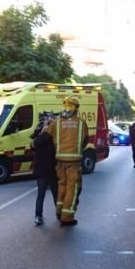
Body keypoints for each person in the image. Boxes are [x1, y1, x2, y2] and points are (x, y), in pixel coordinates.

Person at [45, 96, 89, 226]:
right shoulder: (81, 123)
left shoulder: (56, 122)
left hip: (59, 162)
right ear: (76, 109)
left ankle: (59, 210)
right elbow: (85, 141)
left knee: (62, 186)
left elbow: (47, 137)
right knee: (73, 188)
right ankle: (67, 217)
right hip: (74, 162)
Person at [30, 118, 57, 225]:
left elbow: (32, 145)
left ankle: (38, 216)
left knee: (40, 195)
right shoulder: (55, 138)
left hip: (41, 171)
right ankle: (60, 214)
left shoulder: (39, 139)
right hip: (52, 170)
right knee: (56, 195)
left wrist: (39, 133)